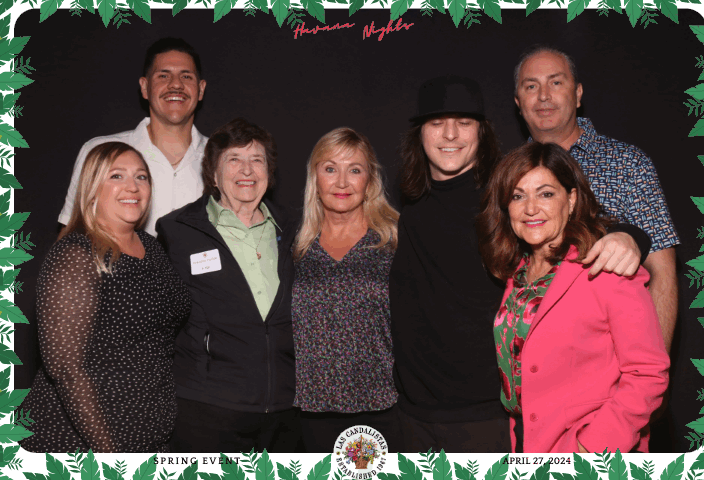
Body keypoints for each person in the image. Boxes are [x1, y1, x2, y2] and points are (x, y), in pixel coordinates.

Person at [389, 75, 650, 453]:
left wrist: (629, 236)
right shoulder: (410, 206)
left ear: (482, 131)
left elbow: (572, 219)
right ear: (420, 133)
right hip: (413, 414)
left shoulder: (504, 195)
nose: (450, 134)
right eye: (436, 123)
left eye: (463, 122)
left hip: (486, 416)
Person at [477, 142, 670, 453]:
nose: (530, 208)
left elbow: (648, 373)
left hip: (588, 450)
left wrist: (592, 447)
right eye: (517, 196)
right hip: (527, 441)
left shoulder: (607, 267)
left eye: (545, 194)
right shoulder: (518, 273)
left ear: (571, 199)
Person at [20, 142, 191, 453]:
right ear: (92, 189)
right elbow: (65, 369)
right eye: (116, 176)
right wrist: (111, 457)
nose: (133, 186)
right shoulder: (76, 254)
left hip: (148, 436)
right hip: (81, 441)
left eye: (141, 177)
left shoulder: (151, 247)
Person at [513, 46, 679, 351]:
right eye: (531, 86)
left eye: (556, 82)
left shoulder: (628, 163)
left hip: (611, 360)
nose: (544, 96)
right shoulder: (508, 175)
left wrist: (654, 367)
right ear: (518, 103)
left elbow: (663, 273)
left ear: (577, 94)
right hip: (530, 361)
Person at [156, 118, 299, 453]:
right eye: (234, 159)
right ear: (213, 174)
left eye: (257, 160)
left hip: (285, 410)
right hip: (207, 408)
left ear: (269, 172)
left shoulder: (297, 229)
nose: (247, 170)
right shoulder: (177, 231)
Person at [292, 127, 401, 452]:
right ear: (315, 177)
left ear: (370, 180)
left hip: (382, 406)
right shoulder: (295, 247)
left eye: (354, 170)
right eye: (330, 169)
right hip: (309, 411)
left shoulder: (395, 241)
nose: (342, 182)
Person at [59, 37, 208, 236]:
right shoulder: (100, 151)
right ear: (145, 87)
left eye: (186, 76)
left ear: (201, 89)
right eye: (163, 76)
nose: (176, 85)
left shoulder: (224, 160)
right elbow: (71, 234)